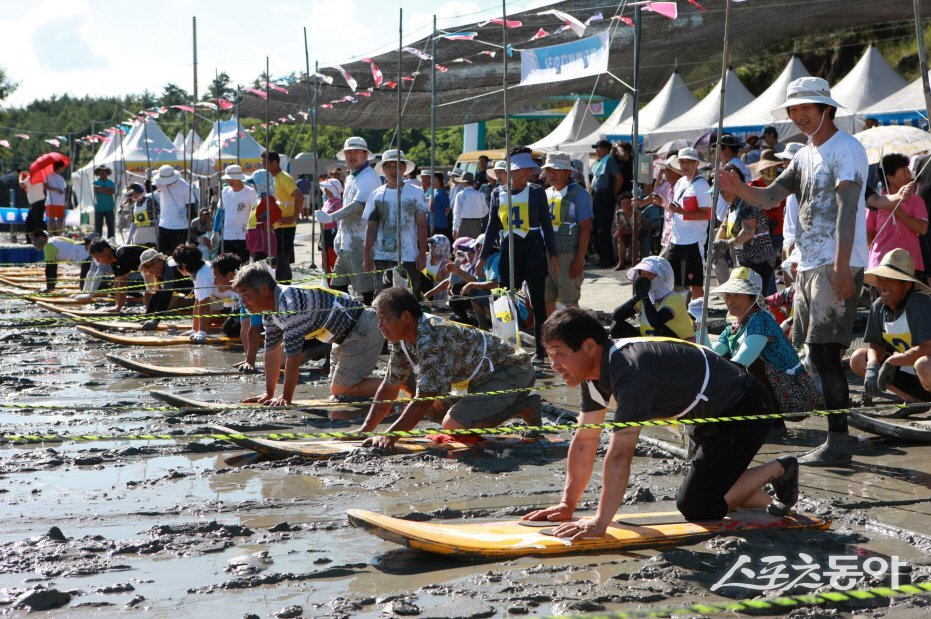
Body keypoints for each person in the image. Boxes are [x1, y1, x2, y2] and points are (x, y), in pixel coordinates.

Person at [523, 308, 799, 537]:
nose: (553, 364)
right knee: (711, 488)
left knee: (697, 507)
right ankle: (779, 502)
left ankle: (781, 467)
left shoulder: (631, 369)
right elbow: (584, 441)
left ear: (589, 346)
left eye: (559, 353)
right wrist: (566, 504)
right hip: (705, 415)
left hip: (744, 408)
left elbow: (620, 453)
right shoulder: (594, 374)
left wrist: (599, 522)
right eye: (549, 354)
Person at [719, 76, 868, 466]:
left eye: (806, 108)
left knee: (824, 354)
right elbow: (769, 196)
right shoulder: (804, 154)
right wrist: (737, 189)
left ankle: (839, 442)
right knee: (811, 351)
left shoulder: (846, 149)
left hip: (836, 262)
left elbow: (848, 209)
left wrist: (840, 267)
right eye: (794, 110)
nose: (799, 116)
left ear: (826, 109)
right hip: (809, 263)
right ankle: (826, 431)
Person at [352, 287, 540, 451]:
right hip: (480, 378)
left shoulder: (431, 337)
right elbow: (391, 384)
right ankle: (478, 415)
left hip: (514, 370)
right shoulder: (400, 338)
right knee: (435, 408)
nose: (380, 326)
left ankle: (524, 408)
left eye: (385, 319)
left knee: (453, 425)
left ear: (406, 317)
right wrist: (365, 430)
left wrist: (390, 435)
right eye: (379, 319)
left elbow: (425, 398)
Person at [233, 262, 386, 403]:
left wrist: (286, 398)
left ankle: (395, 382)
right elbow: (271, 351)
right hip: (341, 338)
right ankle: (395, 379)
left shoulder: (291, 304)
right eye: (241, 297)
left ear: (264, 289)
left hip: (362, 329)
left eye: (246, 296)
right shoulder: (269, 311)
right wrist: (268, 393)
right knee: (338, 391)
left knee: (340, 390)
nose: (244, 303)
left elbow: (294, 356)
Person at [706, 267, 819, 417]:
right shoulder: (733, 327)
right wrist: (698, 327)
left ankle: (771, 422)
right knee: (724, 360)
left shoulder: (761, 320)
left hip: (797, 395)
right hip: (779, 390)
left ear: (754, 298)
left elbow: (741, 362)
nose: (730, 300)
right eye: (728, 295)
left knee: (747, 366)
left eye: (737, 295)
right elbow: (710, 357)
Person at [481, 149, 558, 362]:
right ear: (510, 172)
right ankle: (507, 347)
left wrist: (553, 255)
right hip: (509, 249)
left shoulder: (536, 191)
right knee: (504, 299)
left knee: (538, 301)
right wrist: (483, 256)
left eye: (528, 171)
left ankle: (542, 351)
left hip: (533, 247)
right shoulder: (498, 193)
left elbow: (547, 225)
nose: (526, 174)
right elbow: (491, 227)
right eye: (521, 171)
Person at [850, 249, 931, 403]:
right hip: (908, 374)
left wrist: (894, 361)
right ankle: (913, 401)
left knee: (924, 365)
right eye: (880, 279)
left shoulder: (919, 303)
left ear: (906, 284)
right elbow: (876, 344)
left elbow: (928, 347)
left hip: (925, 370)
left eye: (890, 280)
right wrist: (873, 364)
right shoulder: (877, 306)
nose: (882, 286)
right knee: (859, 358)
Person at [315, 137, 378, 304]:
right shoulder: (351, 177)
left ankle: (368, 323)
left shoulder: (368, 177)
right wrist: (339, 236)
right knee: (338, 288)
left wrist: (331, 217)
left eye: (356, 152)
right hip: (347, 243)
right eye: (348, 152)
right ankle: (350, 321)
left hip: (361, 243)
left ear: (365, 154)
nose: (352, 156)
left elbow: (358, 205)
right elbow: (349, 205)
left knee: (366, 291)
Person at [360, 149, 429, 295]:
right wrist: (366, 255)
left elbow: (422, 225)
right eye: (389, 166)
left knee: (409, 299)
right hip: (381, 256)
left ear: (404, 168)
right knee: (382, 299)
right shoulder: (376, 194)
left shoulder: (416, 192)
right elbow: (371, 227)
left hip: (408, 255)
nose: (393, 170)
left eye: (397, 166)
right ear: (383, 169)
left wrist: (422, 253)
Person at [542, 151, 592, 314]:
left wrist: (579, 259)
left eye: (556, 170)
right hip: (548, 253)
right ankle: (552, 335)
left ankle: (575, 336)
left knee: (569, 301)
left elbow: (585, 227)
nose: (552, 174)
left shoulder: (579, 194)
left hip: (568, 253)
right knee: (547, 296)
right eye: (549, 170)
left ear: (568, 172)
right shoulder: (547, 193)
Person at [659, 147, 712, 300]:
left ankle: (698, 319)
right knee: (672, 282)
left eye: (689, 162)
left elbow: (706, 214)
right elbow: (676, 209)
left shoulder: (702, 185)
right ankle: (675, 315)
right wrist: (662, 202)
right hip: (676, 239)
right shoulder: (681, 182)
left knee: (694, 284)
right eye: (682, 162)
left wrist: (682, 212)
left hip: (693, 241)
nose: (685, 166)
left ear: (697, 163)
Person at [716, 164, 776, 286]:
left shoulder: (746, 202)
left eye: (722, 190)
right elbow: (724, 226)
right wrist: (716, 244)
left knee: (756, 298)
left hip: (759, 261)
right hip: (745, 259)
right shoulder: (732, 205)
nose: (721, 194)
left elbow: (748, 231)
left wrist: (728, 243)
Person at [867, 153, 928, 273]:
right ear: (890, 178)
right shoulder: (875, 202)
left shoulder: (916, 200)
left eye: (908, 171)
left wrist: (897, 210)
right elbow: (868, 233)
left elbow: (922, 228)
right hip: (880, 264)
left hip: (910, 264)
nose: (909, 175)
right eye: (904, 172)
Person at [610, 256, 695, 341]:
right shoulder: (644, 298)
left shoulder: (674, 298)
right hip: (651, 344)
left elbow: (656, 322)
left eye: (650, 274)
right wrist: (637, 297)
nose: (646, 278)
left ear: (661, 276)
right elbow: (617, 316)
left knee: (658, 330)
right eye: (643, 275)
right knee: (616, 327)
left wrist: (644, 297)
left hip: (681, 346)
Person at [212, 253, 261, 373]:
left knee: (282, 363)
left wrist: (250, 362)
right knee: (243, 327)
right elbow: (245, 327)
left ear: (229, 275)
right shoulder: (240, 291)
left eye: (216, 277)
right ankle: (248, 358)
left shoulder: (249, 290)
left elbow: (255, 329)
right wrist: (248, 359)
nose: (214, 282)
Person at [262, 151, 301, 283]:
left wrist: (292, 217)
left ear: (274, 163)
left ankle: (285, 291)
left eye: (265, 163)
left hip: (286, 226)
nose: (263, 166)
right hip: (278, 226)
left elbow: (299, 197)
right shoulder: (275, 179)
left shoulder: (284, 178)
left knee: (282, 262)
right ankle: (282, 289)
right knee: (278, 261)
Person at [171, 243, 218, 343]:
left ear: (183, 266)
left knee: (229, 329)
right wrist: (194, 330)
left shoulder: (203, 274)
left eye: (177, 266)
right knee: (199, 302)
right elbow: (197, 302)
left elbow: (205, 304)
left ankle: (202, 330)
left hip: (233, 301)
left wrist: (202, 333)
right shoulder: (198, 270)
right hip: (219, 299)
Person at [137, 248, 194, 328]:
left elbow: (166, 296)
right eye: (147, 266)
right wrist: (147, 317)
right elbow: (156, 296)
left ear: (160, 259)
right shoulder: (159, 274)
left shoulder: (169, 267)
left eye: (153, 263)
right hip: (193, 294)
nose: (151, 268)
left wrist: (155, 321)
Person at [87, 239, 148, 313]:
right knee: (115, 285)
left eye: (98, 257)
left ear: (106, 251)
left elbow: (123, 283)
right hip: (145, 269)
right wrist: (116, 305)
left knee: (149, 296)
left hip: (155, 265)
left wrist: (118, 308)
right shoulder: (113, 260)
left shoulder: (121, 254)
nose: (98, 261)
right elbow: (117, 284)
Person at [30, 230, 98, 292]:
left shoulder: (48, 246)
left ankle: (105, 285)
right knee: (88, 284)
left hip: (86, 257)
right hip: (85, 255)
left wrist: (49, 288)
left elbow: (50, 269)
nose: (33, 243)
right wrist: (51, 287)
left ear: (42, 238)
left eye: (34, 241)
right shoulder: (54, 239)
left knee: (85, 288)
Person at [590, 139, 623, 267]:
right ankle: (602, 257)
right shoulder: (599, 161)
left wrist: (613, 193)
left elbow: (619, 178)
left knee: (603, 228)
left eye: (599, 148)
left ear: (605, 149)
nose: (596, 150)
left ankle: (608, 258)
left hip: (605, 194)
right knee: (598, 227)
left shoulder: (609, 160)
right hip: (596, 194)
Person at [218, 164, 257, 262]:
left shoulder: (250, 192)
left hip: (243, 236)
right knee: (226, 264)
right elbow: (220, 211)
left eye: (231, 179)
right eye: (228, 179)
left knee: (242, 264)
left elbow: (254, 213)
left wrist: (252, 233)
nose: (228, 181)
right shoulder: (225, 191)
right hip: (227, 235)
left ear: (238, 178)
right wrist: (215, 230)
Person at [152, 164, 194, 255]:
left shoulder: (185, 186)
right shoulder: (161, 183)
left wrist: (190, 227)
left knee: (177, 253)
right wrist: (147, 179)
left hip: (180, 226)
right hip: (164, 224)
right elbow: (149, 189)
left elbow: (192, 206)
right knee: (162, 252)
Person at [245, 170, 281, 262]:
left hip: (262, 238)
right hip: (255, 236)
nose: (253, 186)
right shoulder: (258, 198)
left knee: (261, 265)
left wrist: (267, 223)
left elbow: (277, 212)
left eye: (255, 183)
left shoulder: (268, 198)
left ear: (261, 183)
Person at [452, 172, 488, 240]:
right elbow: (486, 210)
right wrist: (478, 215)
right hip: (477, 224)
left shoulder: (460, 195)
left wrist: (455, 228)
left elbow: (457, 213)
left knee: (462, 247)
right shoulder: (480, 194)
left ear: (464, 182)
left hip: (464, 224)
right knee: (475, 247)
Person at [319, 179, 343, 274]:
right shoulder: (326, 202)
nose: (325, 191)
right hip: (324, 233)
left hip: (333, 234)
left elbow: (340, 222)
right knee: (325, 261)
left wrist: (339, 237)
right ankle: (327, 282)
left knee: (333, 259)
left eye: (328, 188)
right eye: (325, 189)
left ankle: (334, 283)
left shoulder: (338, 203)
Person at [124, 182, 159, 247]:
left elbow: (159, 216)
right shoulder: (133, 206)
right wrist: (128, 240)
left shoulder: (150, 201)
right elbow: (134, 224)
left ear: (142, 191)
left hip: (152, 237)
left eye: (136, 192)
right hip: (139, 238)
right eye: (132, 194)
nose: (134, 195)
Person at [92, 165, 116, 239]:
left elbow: (113, 191)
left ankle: (111, 241)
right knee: (98, 227)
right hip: (98, 208)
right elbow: (96, 190)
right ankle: (98, 241)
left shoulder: (112, 182)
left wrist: (101, 189)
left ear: (107, 172)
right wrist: (107, 189)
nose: (102, 173)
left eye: (104, 171)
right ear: (98, 173)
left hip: (110, 207)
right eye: (100, 171)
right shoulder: (95, 182)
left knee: (111, 226)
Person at [19, 170, 45, 236]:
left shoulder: (30, 178)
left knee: (37, 223)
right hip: (38, 203)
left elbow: (22, 185)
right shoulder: (40, 178)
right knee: (30, 222)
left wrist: (20, 177)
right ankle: (30, 239)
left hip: (36, 203)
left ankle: (42, 237)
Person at [43, 161, 68, 234]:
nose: (64, 169)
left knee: (60, 220)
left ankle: (59, 236)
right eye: (63, 167)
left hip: (61, 202)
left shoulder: (62, 178)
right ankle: (50, 236)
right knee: (51, 220)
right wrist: (56, 189)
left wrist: (66, 201)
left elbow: (64, 190)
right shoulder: (49, 176)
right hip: (52, 201)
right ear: (59, 167)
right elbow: (45, 186)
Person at [430, 172, 452, 240]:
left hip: (440, 225)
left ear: (439, 180)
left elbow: (447, 209)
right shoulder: (434, 191)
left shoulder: (442, 192)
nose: (432, 181)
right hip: (432, 223)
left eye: (434, 179)